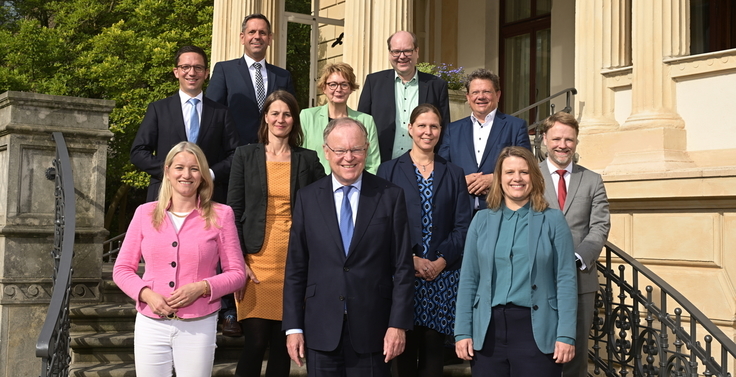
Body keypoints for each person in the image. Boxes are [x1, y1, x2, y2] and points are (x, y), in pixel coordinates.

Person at [282, 118, 415, 377]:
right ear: (326, 152)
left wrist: (397, 324)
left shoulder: (390, 196)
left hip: (374, 330)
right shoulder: (307, 198)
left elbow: (402, 268)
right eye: (341, 150)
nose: (349, 157)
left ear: (366, 150)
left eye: (356, 149)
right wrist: (293, 328)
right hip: (320, 330)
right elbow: (296, 268)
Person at [113, 142, 246, 377]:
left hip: (199, 323)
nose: (186, 175)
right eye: (180, 167)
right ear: (167, 171)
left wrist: (203, 287)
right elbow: (122, 269)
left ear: (203, 175)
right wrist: (146, 294)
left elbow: (237, 273)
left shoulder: (221, 215)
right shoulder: (144, 213)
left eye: (194, 169)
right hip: (150, 322)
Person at [454, 146, 577, 377]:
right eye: (509, 172)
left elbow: (566, 279)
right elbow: (469, 279)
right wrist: (462, 332)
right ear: (499, 179)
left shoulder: (553, 220)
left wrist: (566, 335)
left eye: (524, 172)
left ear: (534, 176)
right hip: (487, 332)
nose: (517, 178)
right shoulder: (480, 220)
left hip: (537, 330)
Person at [227, 90, 326, 377]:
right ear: (266, 117)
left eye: (287, 114)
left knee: (285, 344)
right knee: (255, 342)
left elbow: (323, 206)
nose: (280, 119)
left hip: (294, 261)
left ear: (294, 119)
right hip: (255, 261)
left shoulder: (308, 159)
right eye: (275, 113)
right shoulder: (244, 156)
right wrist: (238, 261)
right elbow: (233, 210)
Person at [376, 104, 472, 377]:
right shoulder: (389, 171)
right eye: (422, 125)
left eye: (434, 126)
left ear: (441, 131)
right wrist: (412, 259)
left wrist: (441, 260)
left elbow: (463, 225)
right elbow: (382, 227)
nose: (427, 131)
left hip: (442, 277)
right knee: (402, 355)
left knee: (433, 357)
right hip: (403, 275)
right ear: (410, 128)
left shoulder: (454, 173)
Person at [539, 112, 610, 377]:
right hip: (536, 278)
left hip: (580, 280)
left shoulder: (592, 180)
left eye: (569, 139)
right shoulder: (528, 176)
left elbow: (600, 226)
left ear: (576, 142)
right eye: (556, 138)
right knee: (537, 351)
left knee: (575, 356)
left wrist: (577, 257)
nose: (562, 144)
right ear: (545, 139)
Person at [131, 45, 239, 203]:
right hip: (164, 195)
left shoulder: (221, 112)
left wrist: (210, 173)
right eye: (185, 67)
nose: (192, 72)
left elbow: (235, 154)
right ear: (176, 72)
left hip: (208, 196)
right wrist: (172, 172)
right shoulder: (158, 109)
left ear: (206, 73)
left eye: (198, 67)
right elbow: (138, 152)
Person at [438, 69, 530, 212]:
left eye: (486, 92)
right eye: (475, 92)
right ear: (468, 97)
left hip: (501, 209)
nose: (480, 97)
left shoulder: (516, 126)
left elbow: (527, 166)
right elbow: (442, 169)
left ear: (498, 95)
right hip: (461, 213)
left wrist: (495, 178)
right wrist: (461, 181)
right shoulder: (452, 130)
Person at [358, 30, 450, 162]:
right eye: (396, 51)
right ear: (390, 53)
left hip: (423, 167)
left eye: (407, 51)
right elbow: (362, 125)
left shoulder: (436, 85)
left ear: (417, 52)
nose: (402, 56)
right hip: (381, 166)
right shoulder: (374, 83)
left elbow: (445, 129)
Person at [207, 13, 296, 145]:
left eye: (262, 33)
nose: (257, 37)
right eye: (252, 32)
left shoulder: (283, 76)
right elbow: (212, 113)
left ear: (270, 38)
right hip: (234, 153)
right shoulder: (225, 70)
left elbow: (292, 114)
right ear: (242, 38)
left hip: (273, 151)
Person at [300, 62, 381, 173]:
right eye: (333, 84)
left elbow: (373, 164)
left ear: (351, 88)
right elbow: (299, 157)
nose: (338, 89)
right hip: (315, 187)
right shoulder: (307, 117)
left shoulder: (366, 121)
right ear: (324, 88)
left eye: (344, 84)